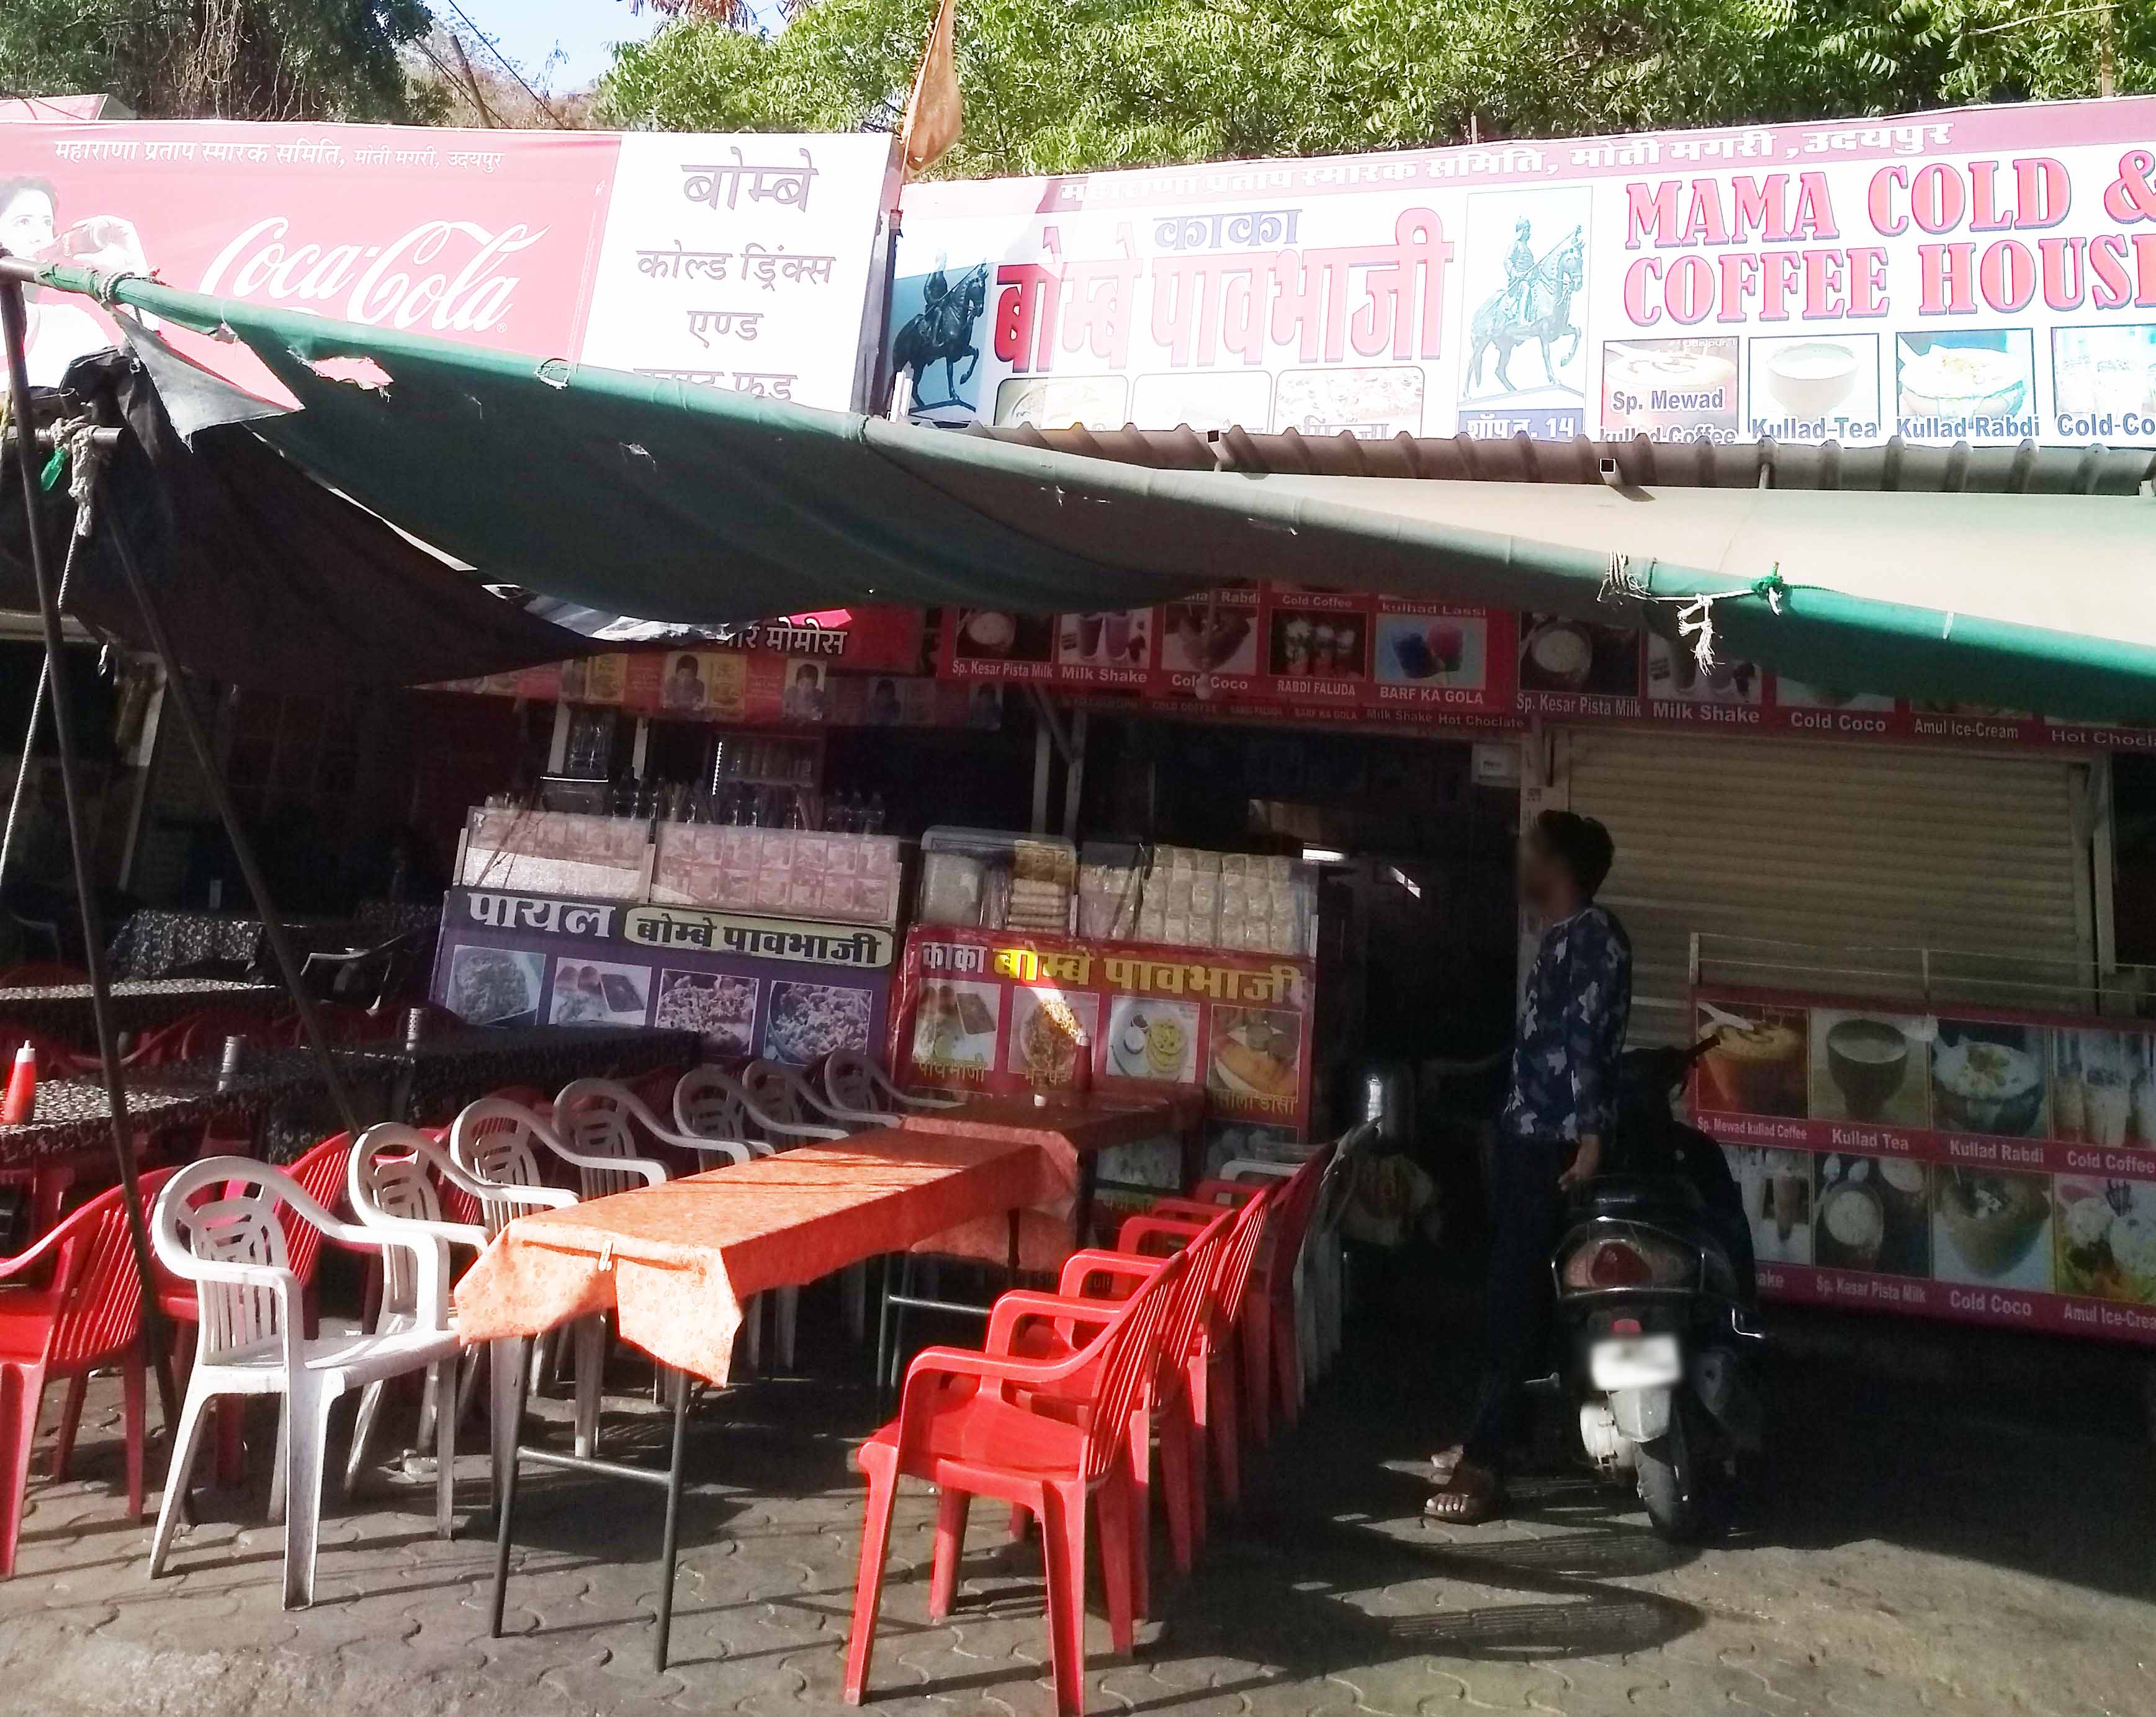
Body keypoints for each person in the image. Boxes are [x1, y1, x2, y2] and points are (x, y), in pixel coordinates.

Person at [1427, 809, 1630, 1524]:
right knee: (1516, 1292)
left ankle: (1487, 1464)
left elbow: (1581, 1044)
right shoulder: (1563, 939)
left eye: (1529, 852)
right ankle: (1503, 1433)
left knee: (1516, 1296)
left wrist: (1592, 1136)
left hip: (1553, 1143)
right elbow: (1540, 1047)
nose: (1519, 863)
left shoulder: (1592, 938)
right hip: (1529, 1134)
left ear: (1558, 864)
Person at [0, 177, 150, 384]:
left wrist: (135, 284)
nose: (40, 237)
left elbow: (140, 395)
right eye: (23, 222)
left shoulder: (73, 327)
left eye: (47, 223)